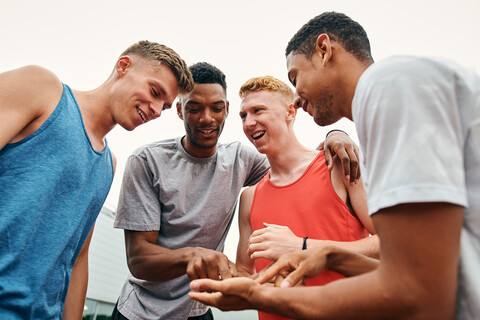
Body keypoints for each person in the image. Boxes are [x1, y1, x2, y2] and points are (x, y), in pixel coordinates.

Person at [189, 11, 480, 320]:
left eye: (295, 77)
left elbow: (414, 288)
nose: (298, 99)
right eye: (243, 115)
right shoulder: (386, 99)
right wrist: (327, 255)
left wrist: (276, 280)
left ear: (324, 50)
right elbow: (410, 268)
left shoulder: (389, 86)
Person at [112, 62, 361, 320]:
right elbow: (139, 259)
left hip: (197, 311)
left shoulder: (242, 160)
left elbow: (293, 167)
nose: (207, 118)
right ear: (179, 110)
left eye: (217, 108)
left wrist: (336, 133)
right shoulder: (147, 161)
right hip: (141, 312)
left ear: (226, 110)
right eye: (194, 108)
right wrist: (194, 254)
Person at [0, 40, 194, 320]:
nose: (155, 110)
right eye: (154, 92)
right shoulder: (42, 89)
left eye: (164, 107)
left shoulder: (108, 164)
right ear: (123, 66)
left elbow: (77, 258)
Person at [235, 76, 378, 320]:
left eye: (258, 111)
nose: (249, 122)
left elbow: (390, 245)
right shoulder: (250, 196)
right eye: (243, 116)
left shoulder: (337, 167)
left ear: (290, 112)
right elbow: (243, 271)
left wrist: (301, 247)